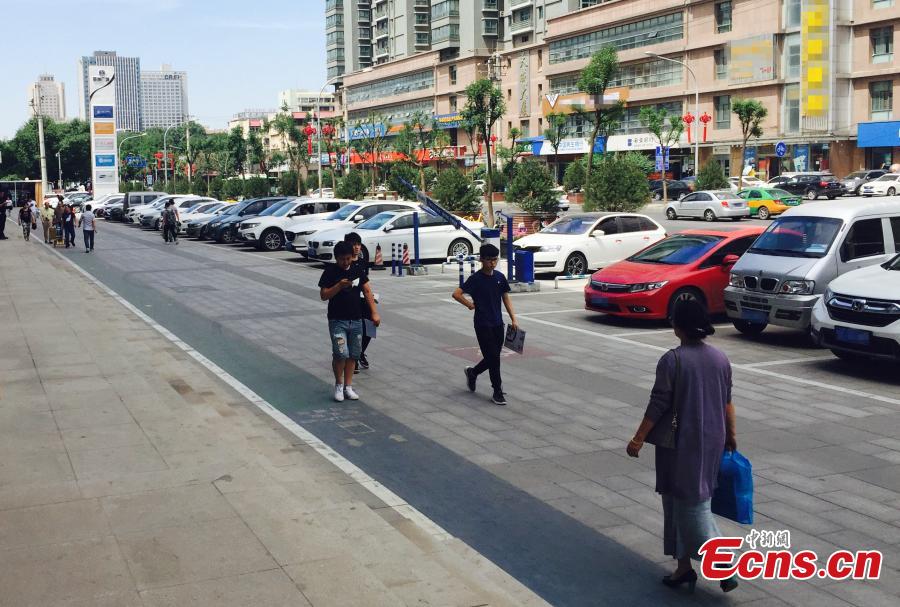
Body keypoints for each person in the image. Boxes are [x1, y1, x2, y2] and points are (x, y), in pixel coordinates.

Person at [626, 299, 738, 595]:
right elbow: (727, 402)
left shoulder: (672, 360)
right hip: (713, 439)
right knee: (677, 501)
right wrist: (731, 435)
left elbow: (658, 404)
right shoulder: (720, 358)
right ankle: (683, 567)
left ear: (678, 326)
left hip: (681, 443)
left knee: (691, 504)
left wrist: (638, 438)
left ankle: (723, 562)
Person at [452, 243, 518, 406]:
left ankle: (473, 372)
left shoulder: (499, 278)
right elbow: (456, 294)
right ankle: (497, 391)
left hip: (498, 324)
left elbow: (506, 298)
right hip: (482, 324)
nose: (492, 263)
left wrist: (514, 318)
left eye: (495, 259)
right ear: (482, 259)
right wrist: (469, 304)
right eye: (489, 260)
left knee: (492, 357)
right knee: (494, 358)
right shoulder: (476, 279)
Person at [318, 241, 380, 402]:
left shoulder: (357, 270)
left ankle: (348, 386)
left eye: (348, 259)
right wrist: (339, 286)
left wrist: (374, 313)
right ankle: (338, 385)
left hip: (356, 319)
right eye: (342, 259)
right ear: (336, 258)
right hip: (337, 320)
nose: (345, 263)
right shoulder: (330, 271)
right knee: (341, 353)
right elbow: (324, 295)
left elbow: (367, 291)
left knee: (354, 354)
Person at [344, 232, 373, 372]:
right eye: (353, 244)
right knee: (354, 329)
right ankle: (352, 359)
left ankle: (360, 353)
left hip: (364, 299)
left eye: (358, 244)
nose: (356, 247)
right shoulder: (345, 262)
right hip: (351, 302)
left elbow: (366, 284)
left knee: (371, 326)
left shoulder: (362, 263)